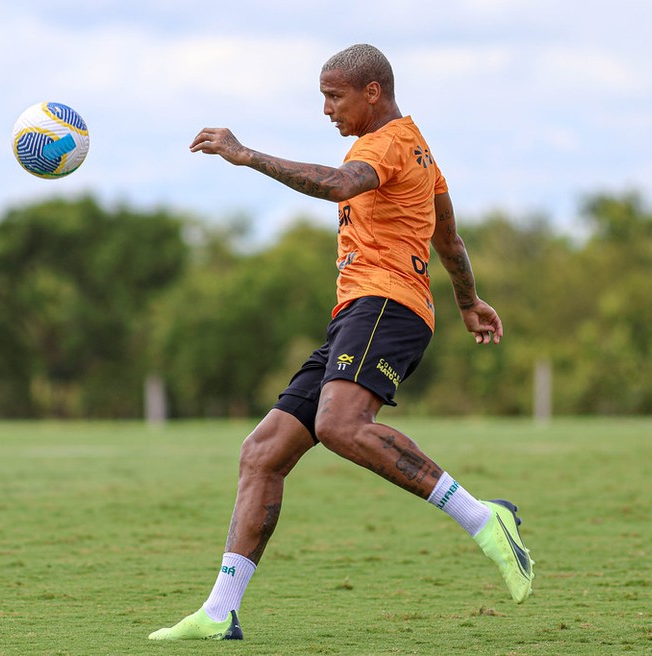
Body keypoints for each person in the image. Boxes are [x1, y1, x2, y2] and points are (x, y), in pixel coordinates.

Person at [149, 43, 534, 641]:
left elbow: (337, 185)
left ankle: (485, 519)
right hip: (360, 312)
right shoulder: (419, 148)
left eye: (335, 96)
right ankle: (221, 609)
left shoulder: (381, 148)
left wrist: (245, 155)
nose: (327, 109)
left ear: (371, 91)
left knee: (338, 424)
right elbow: (449, 239)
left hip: (388, 306)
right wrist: (467, 301)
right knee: (263, 452)